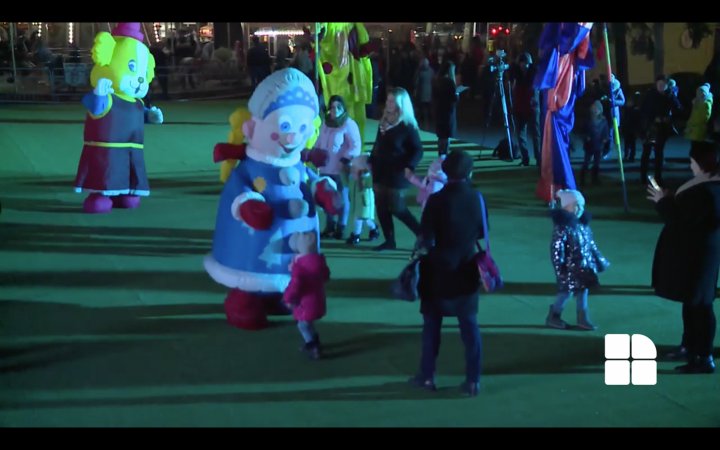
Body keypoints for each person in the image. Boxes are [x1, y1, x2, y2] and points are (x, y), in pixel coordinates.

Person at [409, 150, 484, 397]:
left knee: (432, 327)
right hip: (466, 269)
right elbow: (483, 232)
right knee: (470, 328)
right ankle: (473, 380)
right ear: (470, 172)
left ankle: (427, 376)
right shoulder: (476, 198)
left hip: (437, 270)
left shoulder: (437, 201)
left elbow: (426, 235)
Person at [646, 141, 720, 374]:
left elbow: (683, 220)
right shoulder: (708, 186)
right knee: (693, 301)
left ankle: (703, 355)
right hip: (699, 252)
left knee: (700, 304)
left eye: (692, 162)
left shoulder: (708, 191)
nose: (690, 166)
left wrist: (663, 201)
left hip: (699, 253)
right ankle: (690, 346)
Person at [368, 87, 424, 251]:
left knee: (398, 208)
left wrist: (409, 166)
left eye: (392, 101)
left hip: (397, 173)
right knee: (381, 207)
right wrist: (371, 160)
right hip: (380, 170)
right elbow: (378, 144)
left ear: (401, 104)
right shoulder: (384, 122)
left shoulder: (407, 126)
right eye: (388, 100)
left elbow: (418, 150)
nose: (388, 103)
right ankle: (389, 240)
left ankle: (422, 234)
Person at [545, 190, 610, 331]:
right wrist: (560, 270)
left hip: (584, 267)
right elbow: (556, 251)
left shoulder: (583, 226)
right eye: (576, 205)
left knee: (583, 291)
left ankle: (583, 317)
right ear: (566, 207)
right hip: (569, 270)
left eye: (582, 206)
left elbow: (591, 246)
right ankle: (554, 315)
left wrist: (599, 260)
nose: (580, 209)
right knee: (565, 293)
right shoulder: (562, 228)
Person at [313, 95, 362, 240]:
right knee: (327, 197)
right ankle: (329, 226)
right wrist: (315, 153)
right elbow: (319, 140)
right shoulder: (326, 124)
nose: (334, 110)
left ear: (343, 109)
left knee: (342, 198)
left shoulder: (348, 124)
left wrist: (345, 159)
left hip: (340, 168)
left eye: (338, 107)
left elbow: (355, 145)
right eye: (332, 107)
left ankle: (341, 227)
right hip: (325, 168)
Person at [283, 231, 331, 360]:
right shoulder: (320, 261)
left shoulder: (300, 267)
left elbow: (295, 285)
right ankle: (315, 341)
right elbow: (326, 276)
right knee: (309, 324)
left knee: (302, 325)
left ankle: (313, 346)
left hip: (304, 303)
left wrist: (288, 298)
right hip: (318, 301)